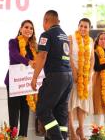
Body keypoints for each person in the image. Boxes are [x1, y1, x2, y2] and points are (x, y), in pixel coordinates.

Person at [31, 10, 73, 140]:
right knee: (60, 112)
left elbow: (42, 55)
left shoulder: (46, 34)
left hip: (56, 76)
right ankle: (63, 137)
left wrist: (34, 77)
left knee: (42, 110)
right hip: (68, 76)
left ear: (46, 20)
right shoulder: (64, 35)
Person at [4, 20, 37, 140]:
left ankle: (23, 137)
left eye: (31, 28)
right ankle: (12, 137)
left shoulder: (33, 47)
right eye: (26, 27)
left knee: (25, 111)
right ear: (21, 28)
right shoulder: (13, 42)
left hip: (27, 82)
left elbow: (38, 62)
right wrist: (29, 62)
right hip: (14, 82)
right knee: (14, 112)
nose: (29, 30)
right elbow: (15, 55)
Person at [68, 18, 94, 140]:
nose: (83, 29)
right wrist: (74, 71)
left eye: (86, 27)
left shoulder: (91, 41)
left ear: (89, 28)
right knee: (71, 104)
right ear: (78, 26)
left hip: (85, 77)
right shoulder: (71, 38)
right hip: (73, 75)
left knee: (82, 104)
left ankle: (81, 130)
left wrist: (89, 73)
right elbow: (68, 56)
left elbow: (92, 58)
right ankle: (72, 131)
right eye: (81, 26)